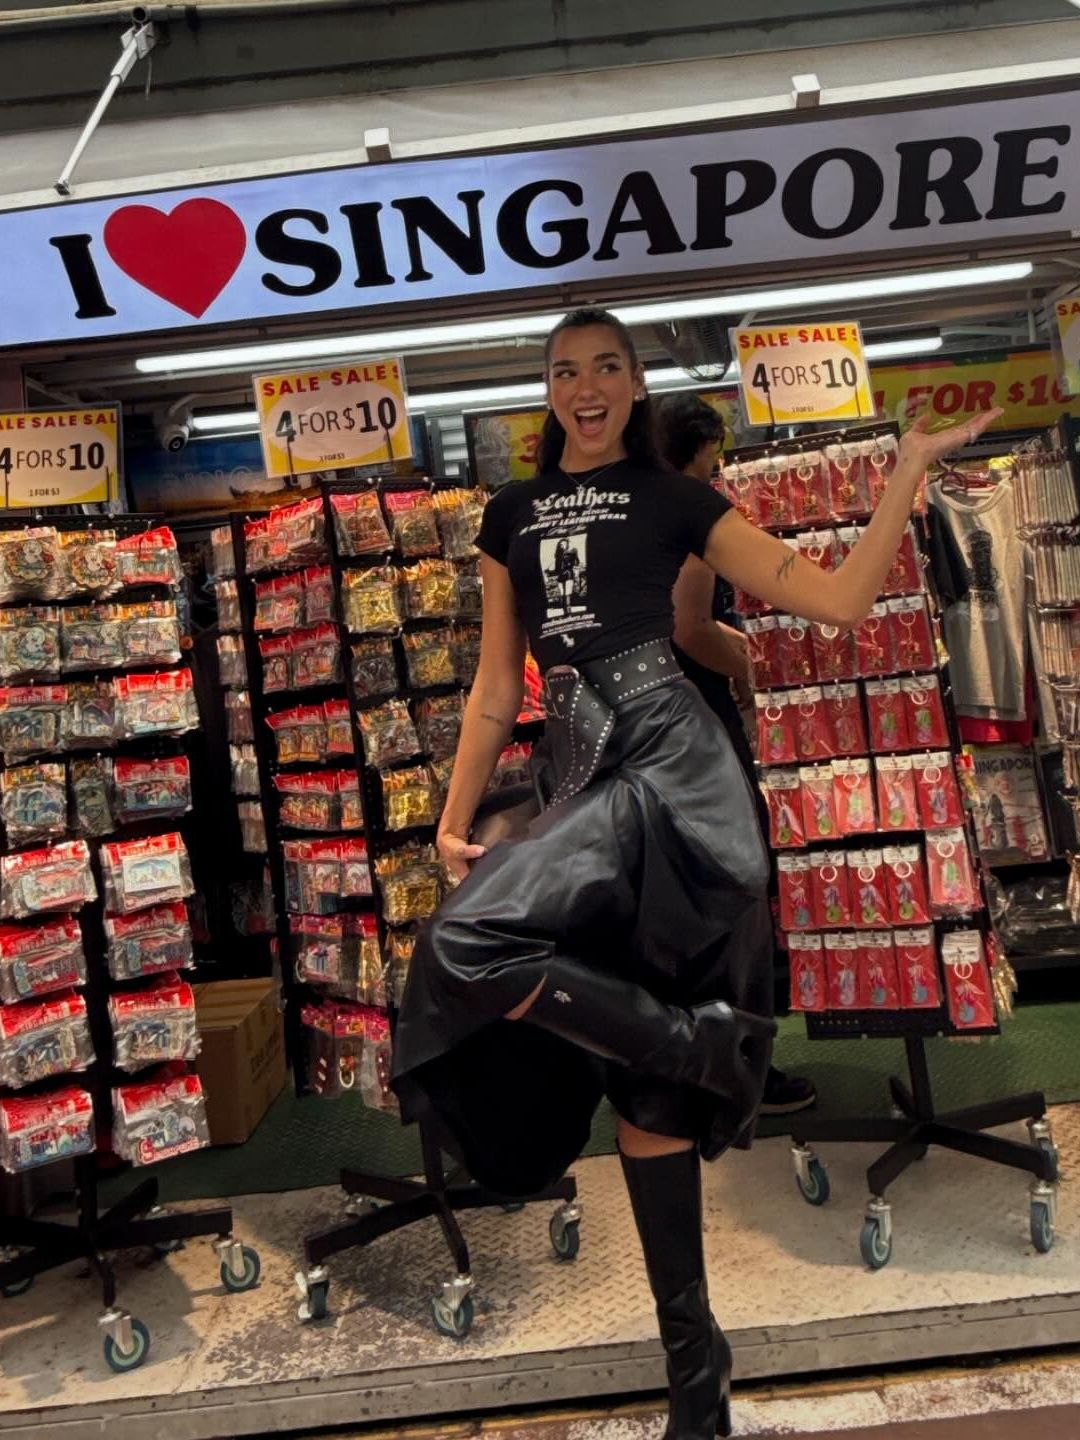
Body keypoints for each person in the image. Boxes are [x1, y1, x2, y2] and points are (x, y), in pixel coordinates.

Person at [392, 307, 998, 1440]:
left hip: (672, 783)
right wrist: (452, 818)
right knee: (611, 1067)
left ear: (633, 384)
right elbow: (491, 686)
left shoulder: (677, 497)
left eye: (607, 367)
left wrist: (907, 472)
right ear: (547, 389)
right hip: (577, 784)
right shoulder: (508, 514)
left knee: (569, 1029)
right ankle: (701, 1331)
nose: (585, 386)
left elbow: (834, 601)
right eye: (565, 370)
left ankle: (692, 1388)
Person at [658, 391, 816, 1118]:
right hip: (701, 732)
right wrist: (757, 667)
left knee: (689, 907)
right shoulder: (691, 512)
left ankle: (694, 1064)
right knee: (738, 904)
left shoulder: (632, 510)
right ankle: (742, 1073)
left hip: (657, 734)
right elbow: (692, 627)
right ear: (701, 448)